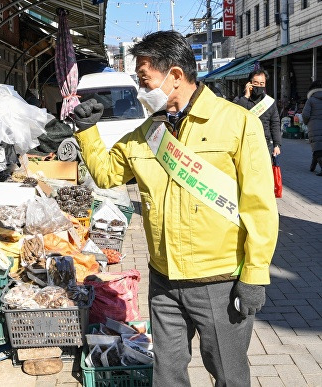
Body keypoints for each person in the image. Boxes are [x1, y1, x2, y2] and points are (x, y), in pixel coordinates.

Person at [72, 31, 279, 387]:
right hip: (164, 281)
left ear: (176, 77)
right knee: (167, 375)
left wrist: (255, 275)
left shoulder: (236, 123)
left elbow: (259, 206)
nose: (141, 90)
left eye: (144, 80)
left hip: (220, 281)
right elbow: (107, 175)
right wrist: (88, 131)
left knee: (229, 374)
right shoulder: (147, 131)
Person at [233, 69, 282, 162]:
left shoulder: (269, 102)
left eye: (262, 83)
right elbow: (234, 115)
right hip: (244, 144)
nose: (259, 86)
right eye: (256, 82)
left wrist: (277, 145)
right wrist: (246, 96)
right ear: (249, 83)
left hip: (265, 144)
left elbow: (275, 124)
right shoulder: (240, 99)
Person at [302, 80, 322, 176]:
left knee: (317, 148)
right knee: (317, 147)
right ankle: (312, 167)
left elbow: (305, 115)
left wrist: (306, 123)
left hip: (315, 126)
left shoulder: (311, 100)